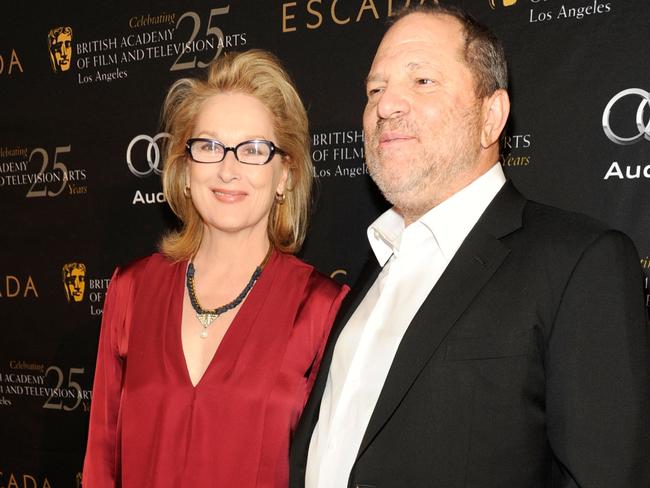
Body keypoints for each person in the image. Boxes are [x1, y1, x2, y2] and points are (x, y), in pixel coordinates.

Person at [290, 5, 650, 488]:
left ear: (491, 115)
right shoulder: (372, 269)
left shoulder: (578, 264)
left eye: (422, 81)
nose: (386, 105)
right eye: (375, 89)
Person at [83, 49, 348, 488]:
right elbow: (100, 464)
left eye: (253, 150)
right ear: (185, 170)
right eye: (208, 146)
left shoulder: (322, 309)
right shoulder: (130, 289)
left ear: (285, 174)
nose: (228, 169)